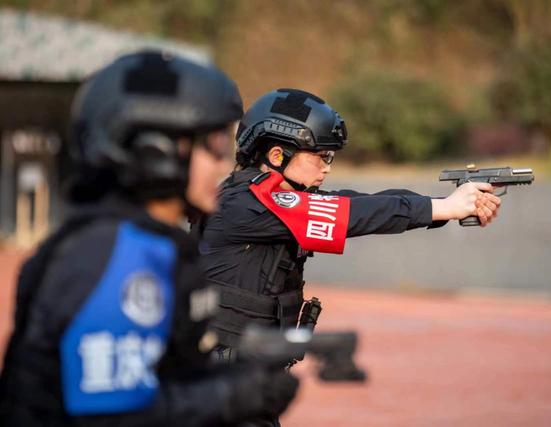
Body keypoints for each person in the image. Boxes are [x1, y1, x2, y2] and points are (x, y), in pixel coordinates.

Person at [0, 52, 298, 426]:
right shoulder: (115, 255)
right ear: (155, 151)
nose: (225, 165)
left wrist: (236, 379)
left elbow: (159, 378)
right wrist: (236, 396)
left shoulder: (141, 241)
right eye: (214, 146)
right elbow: (113, 417)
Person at [196, 88, 501, 362]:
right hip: (217, 375)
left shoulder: (267, 199)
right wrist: (444, 207)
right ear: (277, 155)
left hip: (242, 371)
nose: (327, 167)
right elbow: (352, 214)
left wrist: (449, 204)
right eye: (321, 156)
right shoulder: (246, 203)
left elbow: (359, 202)